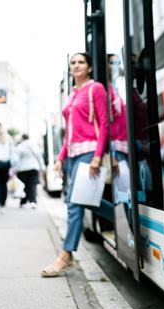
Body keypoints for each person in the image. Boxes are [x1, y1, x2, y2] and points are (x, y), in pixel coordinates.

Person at [41, 52, 112, 277]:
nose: (76, 65)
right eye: (73, 62)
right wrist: (61, 157)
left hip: (89, 153)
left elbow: (104, 124)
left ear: (89, 67)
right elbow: (70, 133)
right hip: (72, 155)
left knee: (74, 202)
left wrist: (98, 156)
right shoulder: (73, 94)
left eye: (81, 62)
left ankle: (66, 255)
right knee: (88, 201)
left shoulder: (96, 89)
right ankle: (128, 218)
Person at [15, 134, 45, 209]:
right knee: (32, 185)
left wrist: (15, 169)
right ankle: (33, 201)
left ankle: (23, 201)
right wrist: (42, 167)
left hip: (22, 169)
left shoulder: (20, 146)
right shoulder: (34, 145)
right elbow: (39, 157)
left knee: (24, 186)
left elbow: (17, 160)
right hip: (34, 167)